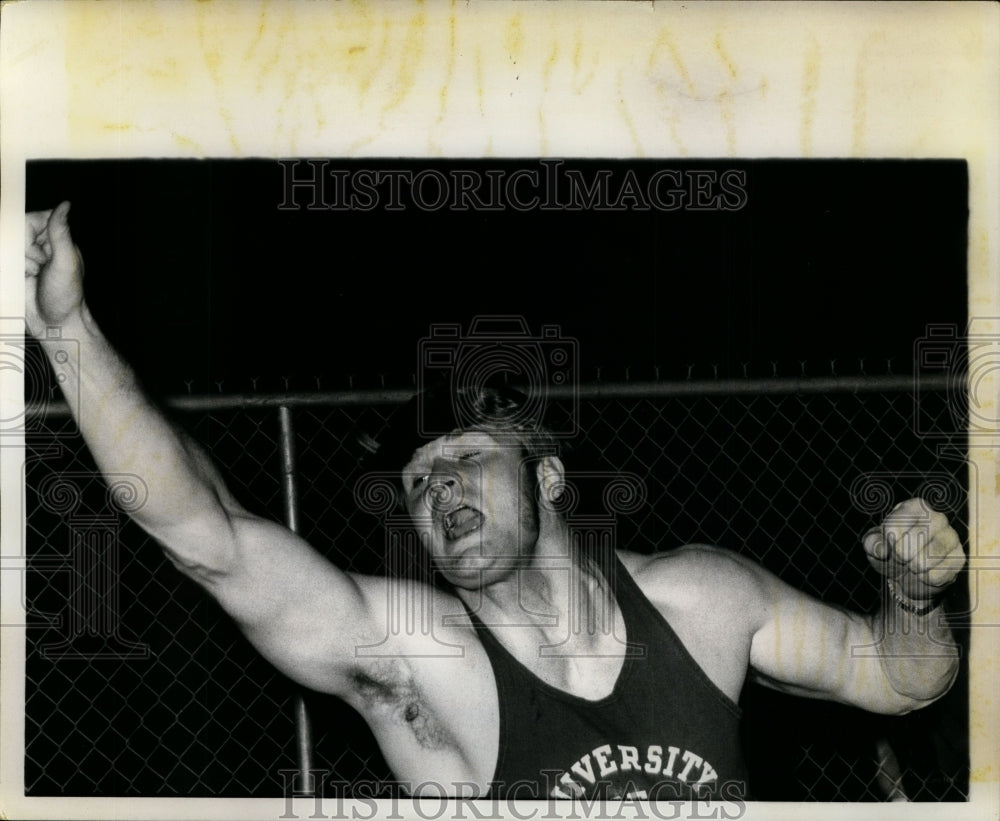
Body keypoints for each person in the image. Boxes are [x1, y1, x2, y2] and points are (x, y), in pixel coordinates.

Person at [23, 202, 966, 801]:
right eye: (419, 481)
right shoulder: (426, 666)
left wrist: (913, 603)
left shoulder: (703, 602)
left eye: (467, 457)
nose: (438, 488)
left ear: (548, 478)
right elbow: (210, 537)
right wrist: (65, 330)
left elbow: (901, 675)